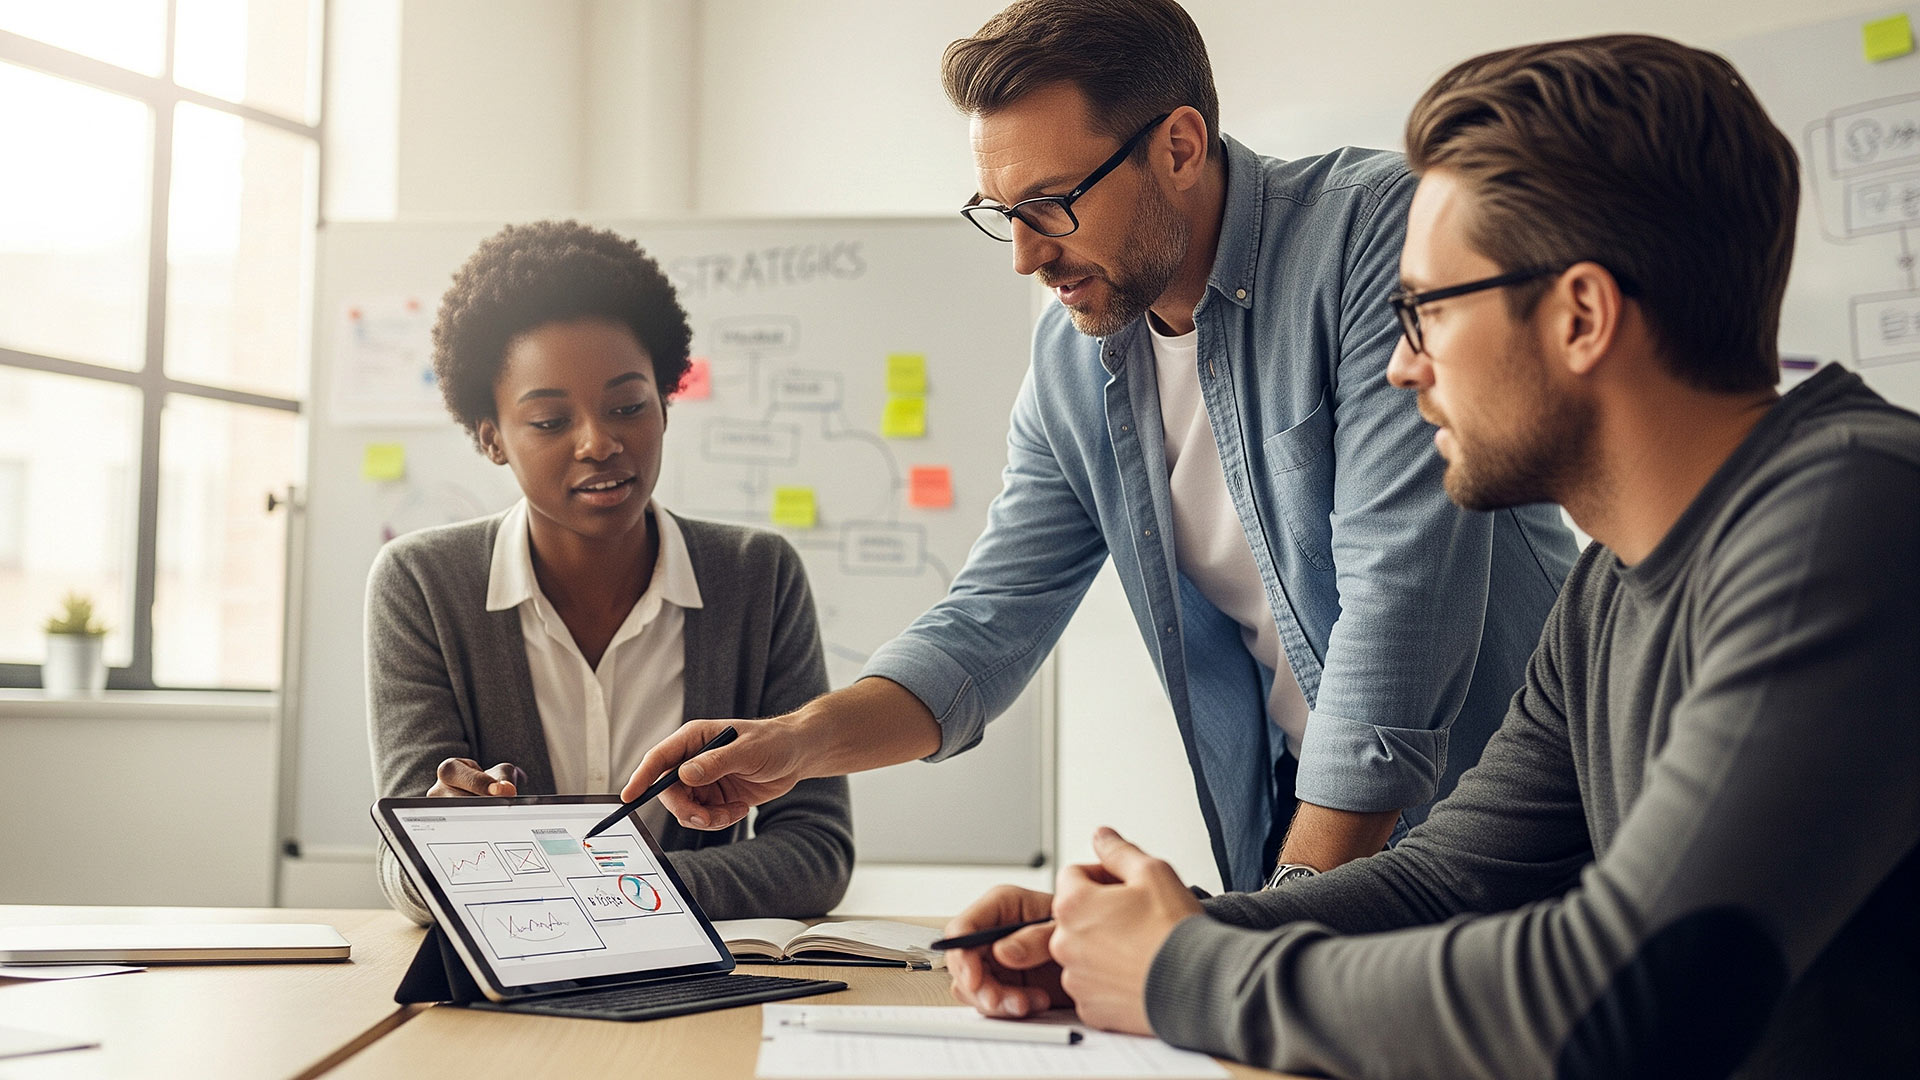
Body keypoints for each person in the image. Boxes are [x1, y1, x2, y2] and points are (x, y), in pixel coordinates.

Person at [944, 34, 1920, 1078]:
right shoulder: (1610, 588)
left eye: (1425, 311)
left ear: (1581, 314)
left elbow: (1633, 989)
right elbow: (1443, 880)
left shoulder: (1853, 519)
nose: (1402, 366)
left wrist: (1183, 971)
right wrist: (1133, 945)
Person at [626, 0, 1574, 895]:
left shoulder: (1374, 236)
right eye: (1000, 211)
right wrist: (794, 743)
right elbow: (993, 616)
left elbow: (1396, 615)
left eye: (1050, 204)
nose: (1024, 256)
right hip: (1310, 831)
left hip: (1506, 835)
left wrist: (1273, 929)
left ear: (1179, 146)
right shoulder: (1074, 357)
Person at [366, 220, 853, 924]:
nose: (600, 442)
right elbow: (406, 872)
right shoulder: (421, 585)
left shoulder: (757, 577)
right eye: (549, 421)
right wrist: (437, 840)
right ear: (491, 437)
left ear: (665, 402)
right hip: (512, 987)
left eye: (628, 406)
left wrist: (609, 889)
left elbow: (816, 852)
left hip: (701, 988)